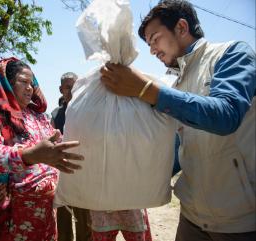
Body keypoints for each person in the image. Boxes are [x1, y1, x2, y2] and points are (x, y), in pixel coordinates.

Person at [100, 1, 256, 241]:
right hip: (192, 216)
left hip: (240, 220)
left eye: (155, 39)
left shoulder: (232, 53)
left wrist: (145, 90)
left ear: (181, 27)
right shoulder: (176, 84)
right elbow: (178, 151)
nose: (152, 50)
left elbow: (226, 115)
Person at [0, 57, 84, 241]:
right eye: (23, 82)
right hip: (13, 217)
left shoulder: (38, 116)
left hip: (46, 213)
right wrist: (29, 155)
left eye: (32, 83)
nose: (30, 88)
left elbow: (57, 146)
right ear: (7, 83)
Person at [51, 72, 92, 241]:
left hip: (83, 172)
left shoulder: (88, 111)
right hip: (61, 173)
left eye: (75, 86)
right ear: (61, 89)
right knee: (63, 221)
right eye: (68, 87)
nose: (72, 90)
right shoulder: (54, 115)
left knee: (85, 220)